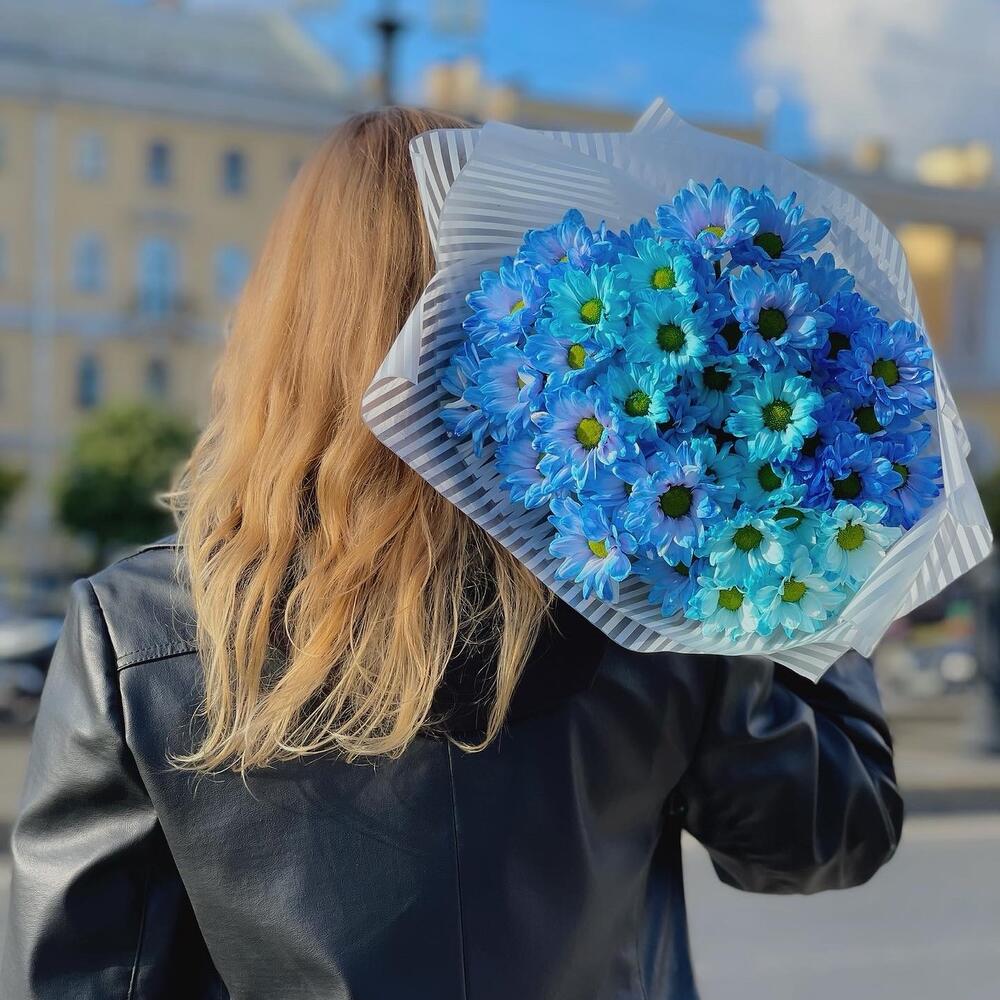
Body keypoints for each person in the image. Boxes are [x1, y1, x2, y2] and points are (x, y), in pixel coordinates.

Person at [1, 108, 903, 1000]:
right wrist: (797, 549)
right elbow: (826, 835)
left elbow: (89, 979)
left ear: (275, 328)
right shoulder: (637, 593)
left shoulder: (140, 632)